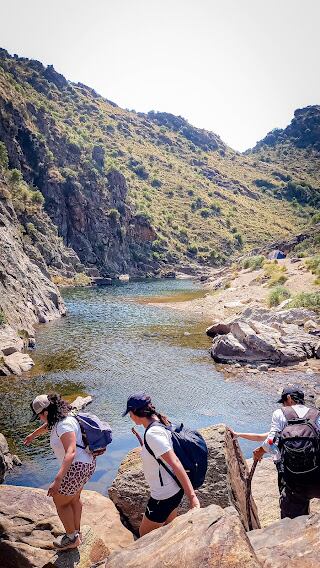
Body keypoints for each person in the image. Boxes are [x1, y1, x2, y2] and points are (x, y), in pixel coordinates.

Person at [23, 394, 96, 550]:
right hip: (87, 464)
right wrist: (32, 436)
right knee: (74, 499)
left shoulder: (63, 426)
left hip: (76, 467)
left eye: (39, 416)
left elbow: (70, 452)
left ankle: (71, 538)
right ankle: (76, 533)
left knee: (59, 501)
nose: (40, 419)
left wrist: (57, 480)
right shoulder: (65, 417)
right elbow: (48, 425)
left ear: (46, 412)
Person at [236, 386, 320, 519]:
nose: (283, 404)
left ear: (289, 398)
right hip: (317, 476)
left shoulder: (280, 413)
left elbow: (271, 441)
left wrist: (260, 451)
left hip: (292, 479)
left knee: (292, 520)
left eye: (283, 401)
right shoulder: (316, 414)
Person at [123, 392, 200, 537]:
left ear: (135, 413)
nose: (130, 417)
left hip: (162, 495)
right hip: (174, 490)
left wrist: (192, 497)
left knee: (144, 535)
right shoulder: (159, 422)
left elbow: (175, 462)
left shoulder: (153, 434)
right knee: (170, 530)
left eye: (129, 413)